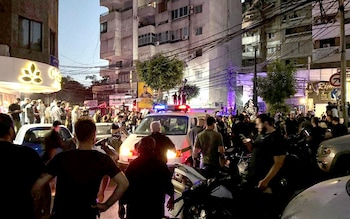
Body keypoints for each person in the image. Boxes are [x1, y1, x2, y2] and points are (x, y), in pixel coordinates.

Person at [31, 117, 129, 219]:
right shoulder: (102, 159)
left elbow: (39, 183)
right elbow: (124, 183)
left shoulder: (61, 158)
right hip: (87, 214)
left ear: (74, 137)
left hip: (62, 214)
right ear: (94, 137)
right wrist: (106, 205)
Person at [0, 113, 50, 219]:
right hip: (22, 211)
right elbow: (44, 183)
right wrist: (46, 212)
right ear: (10, 130)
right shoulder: (26, 154)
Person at [242, 113, 286, 218]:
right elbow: (256, 151)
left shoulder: (276, 138)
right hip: (254, 179)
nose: (256, 126)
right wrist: (249, 146)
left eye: (258, 124)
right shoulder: (261, 135)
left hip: (266, 183)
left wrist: (266, 181)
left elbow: (279, 162)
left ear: (266, 123)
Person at [122, 136, 174, 219]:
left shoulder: (133, 165)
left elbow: (125, 184)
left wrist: (121, 204)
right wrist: (171, 197)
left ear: (139, 149)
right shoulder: (160, 164)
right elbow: (167, 182)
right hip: (154, 204)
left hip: (135, 205)